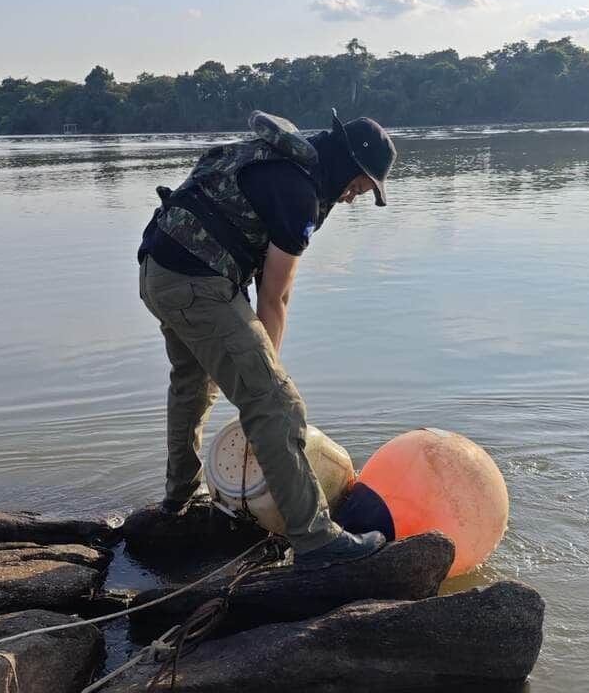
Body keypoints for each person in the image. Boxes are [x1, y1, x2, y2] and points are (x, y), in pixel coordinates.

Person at [137, 109, 396, 569]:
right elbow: (275, 297)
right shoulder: (298, 193)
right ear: (346, 162)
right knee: (278, 405)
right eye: (358, 185)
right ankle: (317, 541)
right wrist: (265, 386)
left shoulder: (279, 159)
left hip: (160, 270)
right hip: (197, 282)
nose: (355, 197)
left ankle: (178, 500)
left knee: (192, 384)